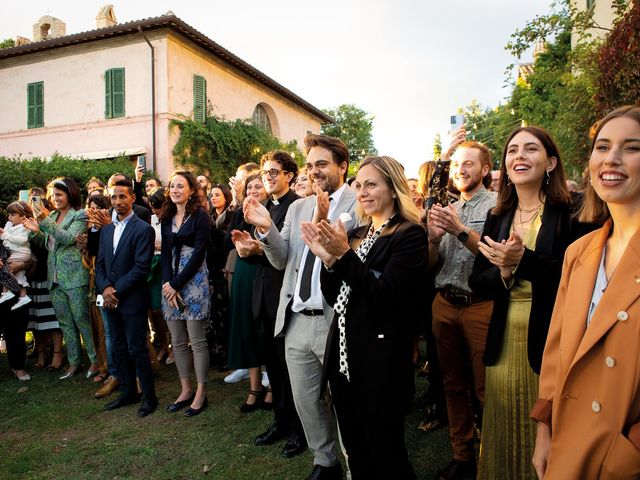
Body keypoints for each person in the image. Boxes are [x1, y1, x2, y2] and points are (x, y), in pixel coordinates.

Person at [469, 126, 588, 479]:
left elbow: (576, 275)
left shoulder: (573, 211)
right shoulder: (497, 216)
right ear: (504, 166)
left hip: (552, 339)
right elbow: (478, 280)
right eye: (512, 151)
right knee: (504, 426)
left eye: (531, 149)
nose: (519, 156)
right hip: (503, 341)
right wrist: (504, 273)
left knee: (548, 435)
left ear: (551, 162)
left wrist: (521, 261)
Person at [300, 155, 427, 479]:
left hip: (380, 364)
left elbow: (385, 297)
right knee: (356, 452)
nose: (363, 191)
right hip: (345, 361)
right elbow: (335, 296)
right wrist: (328, 260)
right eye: (359, 185)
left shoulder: (409, 235)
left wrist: (343, 256)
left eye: (371, 184)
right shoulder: (356, 232)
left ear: (394, 187)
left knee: (387, 456)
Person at [531, 105, 640, 479]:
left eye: (632, 147)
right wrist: (544, 429)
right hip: (566, 442)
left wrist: (628, 454)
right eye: (602, 146)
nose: (611, 159)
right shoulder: (580, 252)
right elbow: (556, 349)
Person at [244, 134, 358, 480]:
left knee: (345, 401)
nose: (314, 172)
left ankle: (356, 465)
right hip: (295, 318)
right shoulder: (297, 207)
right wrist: (266, 231)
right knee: (306, 400)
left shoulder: (358, 201)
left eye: (321, 164)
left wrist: (324, 220)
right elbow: (282, 261)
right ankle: (325, 461)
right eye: (310, 166)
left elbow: (341, 253)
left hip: (334, 319)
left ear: (342, 166)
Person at [427, 136, 496, 480]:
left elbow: (498, 258)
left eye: (468, 163)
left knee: (485, 389)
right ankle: (462, 455)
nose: (460, 169)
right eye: (455, 164)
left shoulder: (497, 206)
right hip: (444, 305)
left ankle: (493, 457)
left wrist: (459, 230)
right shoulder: (445, 207)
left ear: (485, 169)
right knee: (452, 386)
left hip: (480, 307)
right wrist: (432, 238)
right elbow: (430, 264)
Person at [233, 151, 306, 457]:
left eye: (274, 172)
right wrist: (247, 247)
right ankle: (280, 421)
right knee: (273, 368)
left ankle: (300, 432)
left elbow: (287, 254)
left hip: (284, 297)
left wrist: (258, 249)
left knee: (291, 372)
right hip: (262, 294)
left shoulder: (297, 206)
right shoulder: (264, 206)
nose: (268, 178)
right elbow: (264, 248)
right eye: (264, 173)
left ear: (290, 175)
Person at [24, 177, 99, 380]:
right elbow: (51, 245)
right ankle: (74, 362)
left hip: (75, 276)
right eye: (53, 195)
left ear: (70, 194)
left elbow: (68, 239)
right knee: (65, 322)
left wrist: (43, 221)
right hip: (54, 278)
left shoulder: (80, 215)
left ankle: (95, 360)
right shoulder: (53, 216)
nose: (55, 198)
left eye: (59, 194)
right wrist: (35, 233)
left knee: (82, 320)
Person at [95, 178, 157, 417]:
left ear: (132, 198)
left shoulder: (143, 229)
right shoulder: (107, 230)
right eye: (114, 197)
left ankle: (149, 396)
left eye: (122, 196)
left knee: (136, 347)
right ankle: (128, 392)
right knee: (118, 346)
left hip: (132, 298)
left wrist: (115, 290)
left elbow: (142, 267)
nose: (118, 201)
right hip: (110, 298)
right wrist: (105, 288)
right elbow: (100, 265)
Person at [161, 171, 211, 417]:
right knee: (178, 341)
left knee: (197, 341)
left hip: (194, 280)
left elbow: (200, 252)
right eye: (172, 186)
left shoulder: (200, 216)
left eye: (180, 186)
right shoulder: (167, 216)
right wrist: (167, 284)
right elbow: (164, 254)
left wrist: (178, 283)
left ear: (191, 190)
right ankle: (185, 389)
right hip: (171, 282)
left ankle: (201, 392)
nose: (175, 190)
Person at [226, 174, 269, 412]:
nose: (253, 190)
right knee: (247, 327)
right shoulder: (241, 213)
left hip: (262, 272)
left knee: (264, 328)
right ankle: (254, 386)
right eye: (250, 186)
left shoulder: (272, 212)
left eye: (258, 186)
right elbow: (226, 239)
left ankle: (271, 385)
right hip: (243, 273)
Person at [207, 183, 233, 369]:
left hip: (226, 269)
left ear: (226, 196)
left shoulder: (231, 216)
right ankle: (218, 351)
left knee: (227, 311)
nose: (213, 198)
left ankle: (229, 353)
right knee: (215, 313)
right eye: (211, 195)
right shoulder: (208, 218)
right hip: (212, 269)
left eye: (217, 194)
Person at [0, 201, 34, 310]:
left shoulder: (25, 227)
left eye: (12, 215)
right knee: (18, 276)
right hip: (15, 253)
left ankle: (6, 292)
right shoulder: (11, 225)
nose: (9, 218)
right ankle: (22, 296)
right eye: (9, 215)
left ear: (23, 216)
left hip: (19, 254)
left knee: (7, 268)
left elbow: (21, 240)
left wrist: (5, 235)